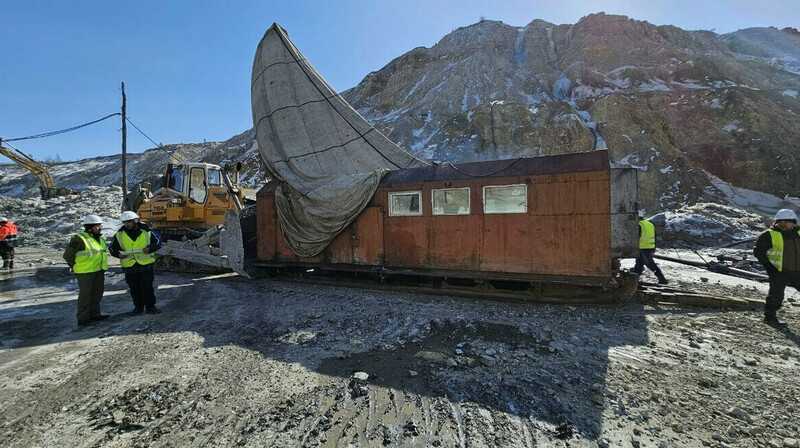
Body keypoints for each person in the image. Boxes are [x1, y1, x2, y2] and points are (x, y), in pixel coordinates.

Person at [108, 210, 163, 314]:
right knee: (134, 288)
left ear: (135, 221)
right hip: (129, 265)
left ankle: (150, 307)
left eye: (129, 222)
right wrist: (118, 254)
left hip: (145, 264)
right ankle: (138, 307)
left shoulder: (147, 231)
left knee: (147, 287)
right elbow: (112, 248)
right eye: (125, 222)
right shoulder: (119, 234)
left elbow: (158, 242)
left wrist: (149, 248)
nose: (127, 224)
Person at [753, 208, 800, 325]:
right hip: (778, 271)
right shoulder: (769, 234)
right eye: (780, 222)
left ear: (793, 222)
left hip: (797, 271)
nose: (783, 224)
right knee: (776, 296)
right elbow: (758, 251)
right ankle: (770, 318)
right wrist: (769, 267)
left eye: (786, 222)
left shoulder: (799, 233)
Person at [63, 215, 108, 327]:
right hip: (85, 272)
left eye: (100, 225)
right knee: (85, 296)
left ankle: (95, 315)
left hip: (98, 270)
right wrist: (74, 266)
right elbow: (68, 255)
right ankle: (83, 319)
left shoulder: (100, 238)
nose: (100, 228)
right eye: (97, 226)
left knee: (97, 293)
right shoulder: (79, 238)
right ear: (89, 227)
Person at [633, 214, 669, 285]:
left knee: (647, 264)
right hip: (649, 247)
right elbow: (654, 236)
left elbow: (636, 237)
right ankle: (635, 280)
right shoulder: (649, 224)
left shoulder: (639, 225)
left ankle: (634, 280)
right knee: (642, 264)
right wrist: (654, 247)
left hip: (642, 247)